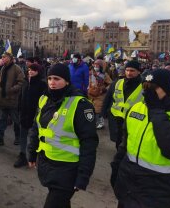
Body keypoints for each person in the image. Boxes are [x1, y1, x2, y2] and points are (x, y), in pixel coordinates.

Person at [28, 63, 98, 208]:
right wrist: (32, 152)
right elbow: (37, 128)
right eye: (50, 78)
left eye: (57, 79)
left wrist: (83, 176)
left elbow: (89, 143)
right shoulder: (44, 99)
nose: (52, 83)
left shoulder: (80, 104)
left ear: (67, 81)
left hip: (68, 170)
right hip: (47, 163)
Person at [111, 69, 170, 208]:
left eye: (154, 87)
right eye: (145, 87)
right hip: (129, 186)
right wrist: (116, 168)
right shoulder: (137, 108)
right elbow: (125, 144)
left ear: (166, 89)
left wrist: (156, 110)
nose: (148, 91)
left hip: (161, 190)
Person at [102, 60, 143, 149]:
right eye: (127, 70)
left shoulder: (144, 85)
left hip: (135, 119)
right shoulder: (117, 82)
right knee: (119, 141)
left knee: (132, 141)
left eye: (132, 71)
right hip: (116, 118)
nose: (129, 73)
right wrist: (104, 112)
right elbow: (108, 97)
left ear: (138, 71)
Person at [14, 63, 46, 168]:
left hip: (35, 115)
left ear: (38, 72)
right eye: (29, 70)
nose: (30, 71)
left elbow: (44, 101)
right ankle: (22, 155)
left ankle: (34, 157)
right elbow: (20, 96)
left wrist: (39, 114)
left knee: (34, 137)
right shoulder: (25, 82)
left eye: (33, 70)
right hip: (24, 113)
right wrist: (18, 108)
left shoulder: (42, 85)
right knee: (23, 135)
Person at [0, 52, 25, 147]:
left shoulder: (16, 68)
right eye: (2, 57)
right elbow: (0, 81)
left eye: (4, 57)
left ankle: (18, 137)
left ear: (10, 58)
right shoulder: (3, 68)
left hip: (12, 99)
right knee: (2, 120)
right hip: (2, 99)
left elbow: (21, 82)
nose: (3, 59)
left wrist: (11, 90)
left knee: (16, 121)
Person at [88, 59, 112, 129]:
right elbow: (89, 82)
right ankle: (94, 122)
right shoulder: (91, 74)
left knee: (99, 109)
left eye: (97, 65)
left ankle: (101, 122)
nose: (95, 66)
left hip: (100, 94)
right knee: (92, 109)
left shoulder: (104, 75)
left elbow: (111, 84)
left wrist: (104, 89)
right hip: (92, 94)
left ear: (101, 67)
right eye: (94, 65)